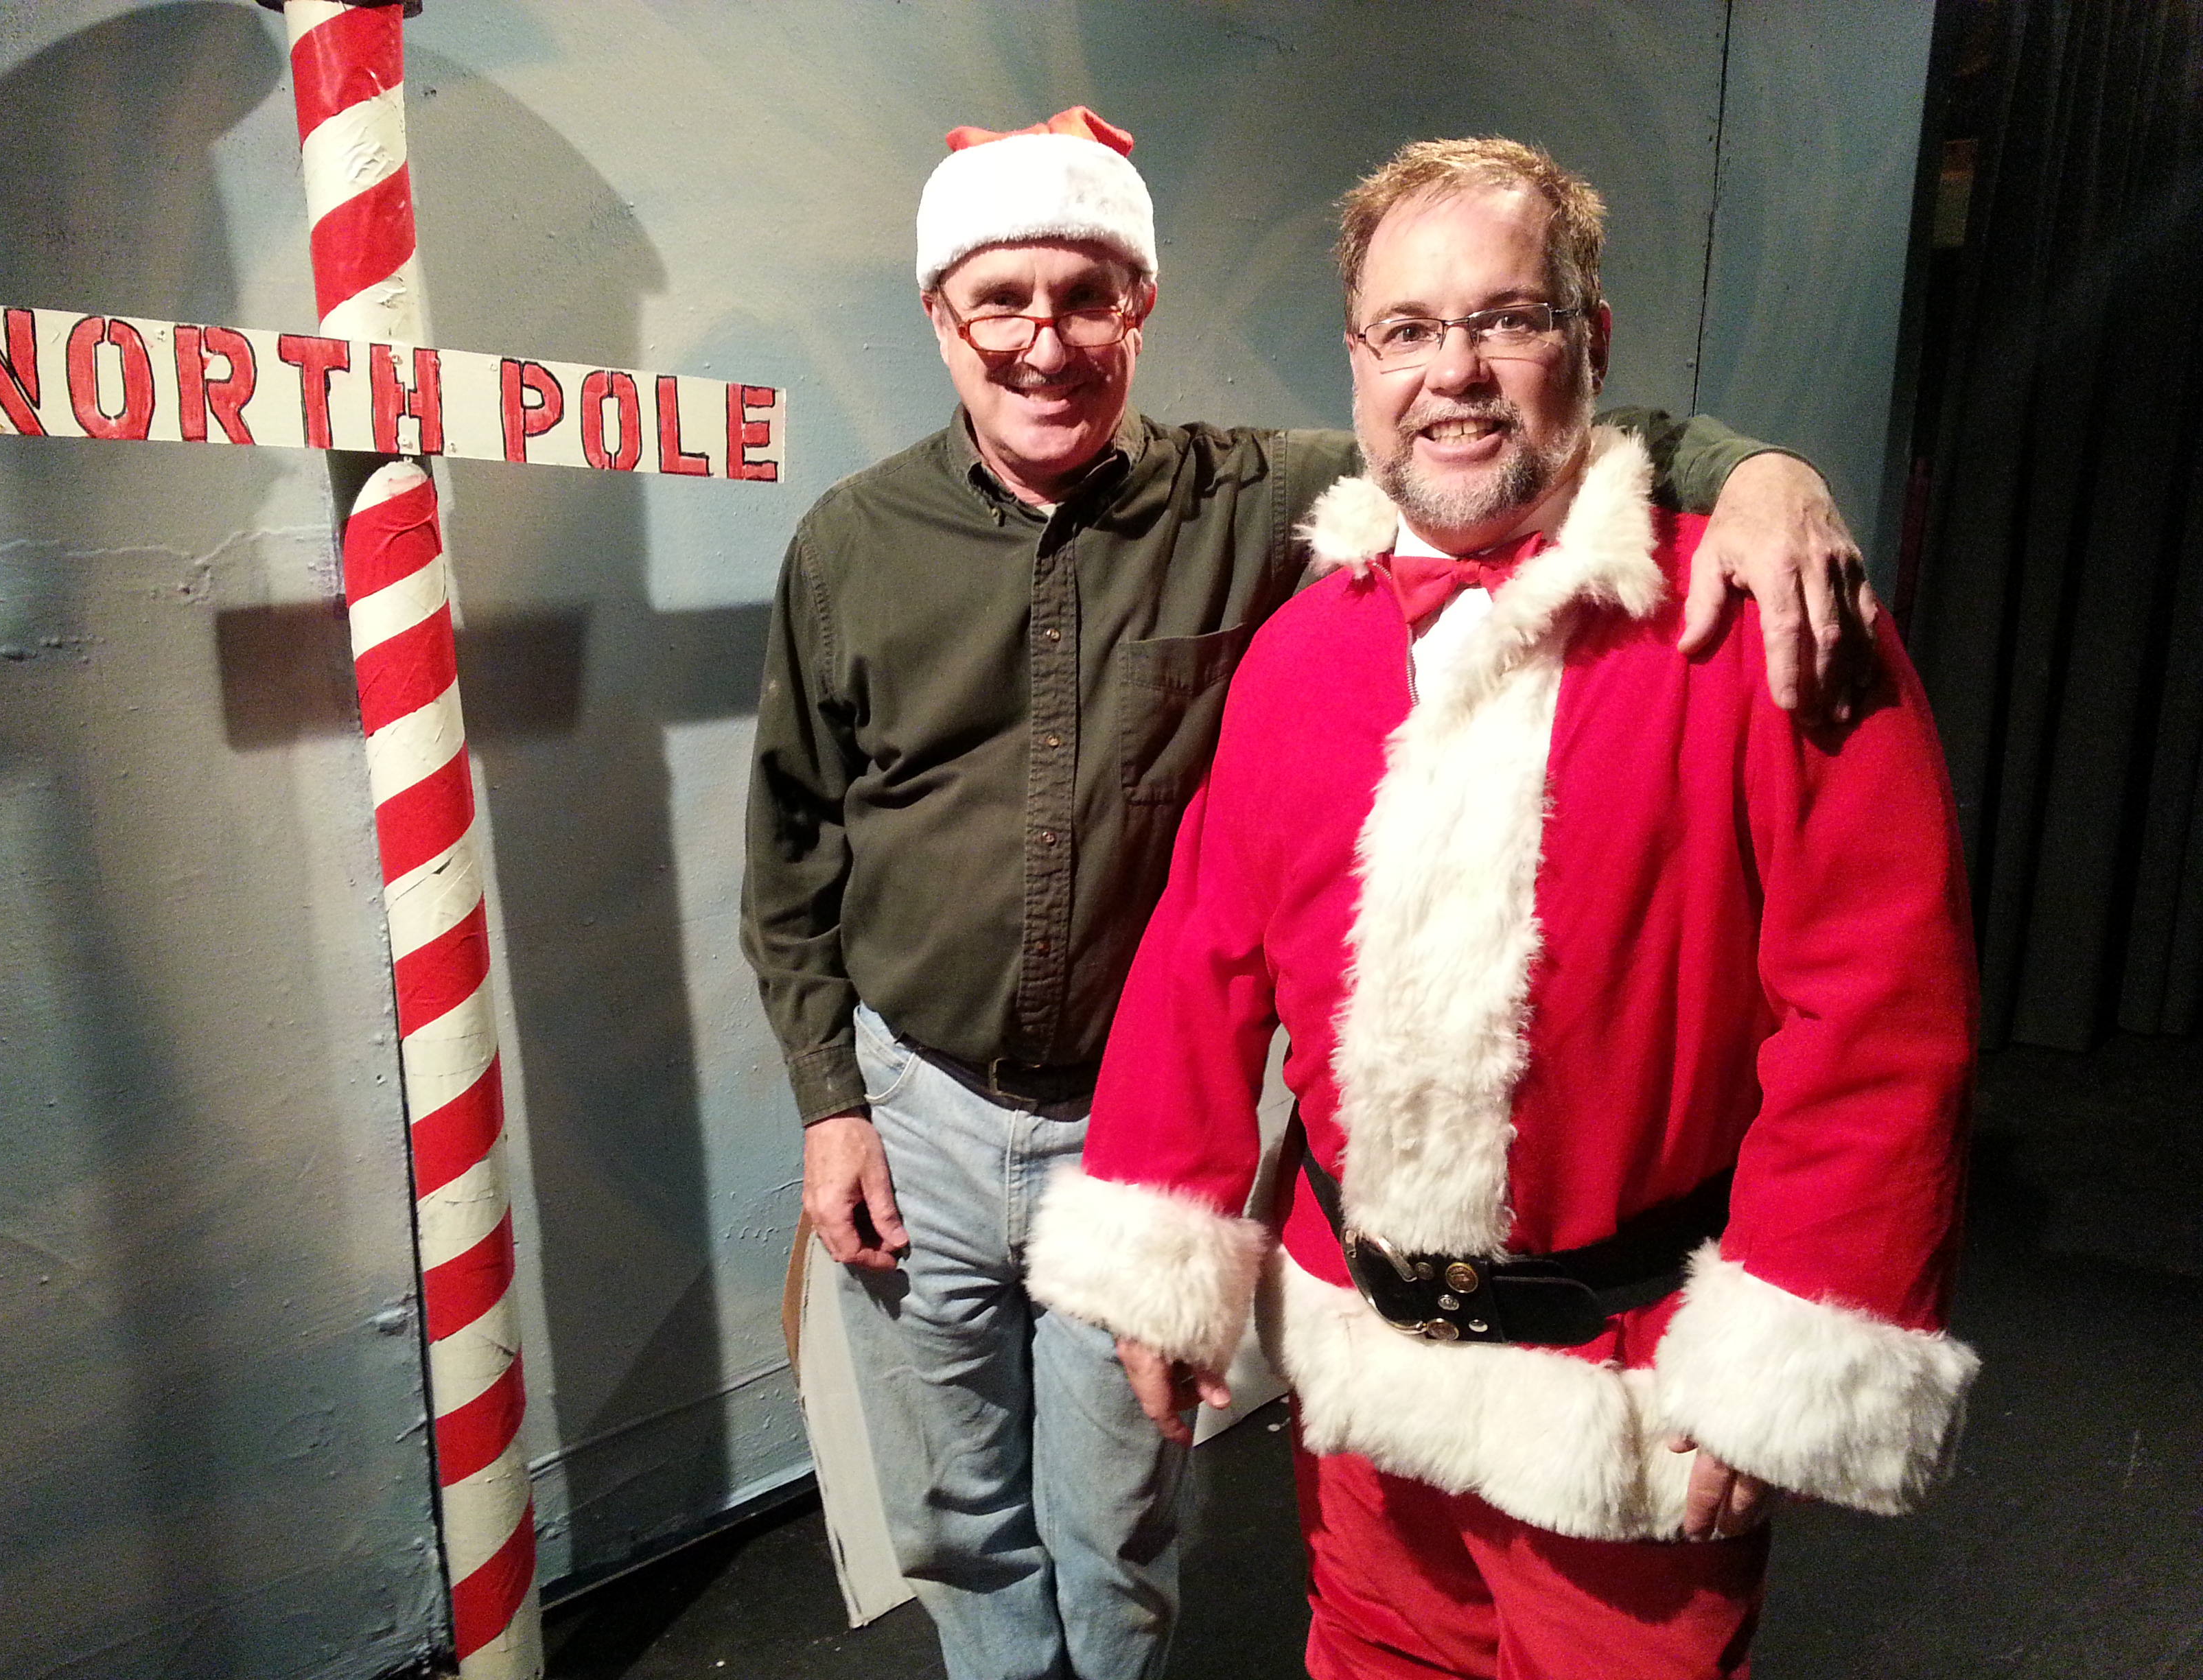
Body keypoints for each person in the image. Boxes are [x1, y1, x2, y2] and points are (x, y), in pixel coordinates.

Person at [744, 110, 1878, 1680]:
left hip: (1139, 1134)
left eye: (1085, 297)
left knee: (1114, 1519)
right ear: (941, 316)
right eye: (999, 301)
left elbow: (1499, 427)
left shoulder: (1259, 497)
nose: (1043, 343)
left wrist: (1756, 470)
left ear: (1139, 308)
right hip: (918, 1109)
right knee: (956, 1516)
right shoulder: (853, 544)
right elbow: (800, 842)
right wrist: (831, 1101)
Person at [1025, 137, 1979, 1679]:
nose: (1452, 373)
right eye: (1407, 330)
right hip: (1361, 1385)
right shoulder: (1300, 651)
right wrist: (1163, 1262)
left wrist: (1776, 1365)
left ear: (1589, 341)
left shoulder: (1757, 617)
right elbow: (1202, 960)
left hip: (1626, 1404)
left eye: (1507, 319)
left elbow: (1878, 1015)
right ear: (1359, 363)